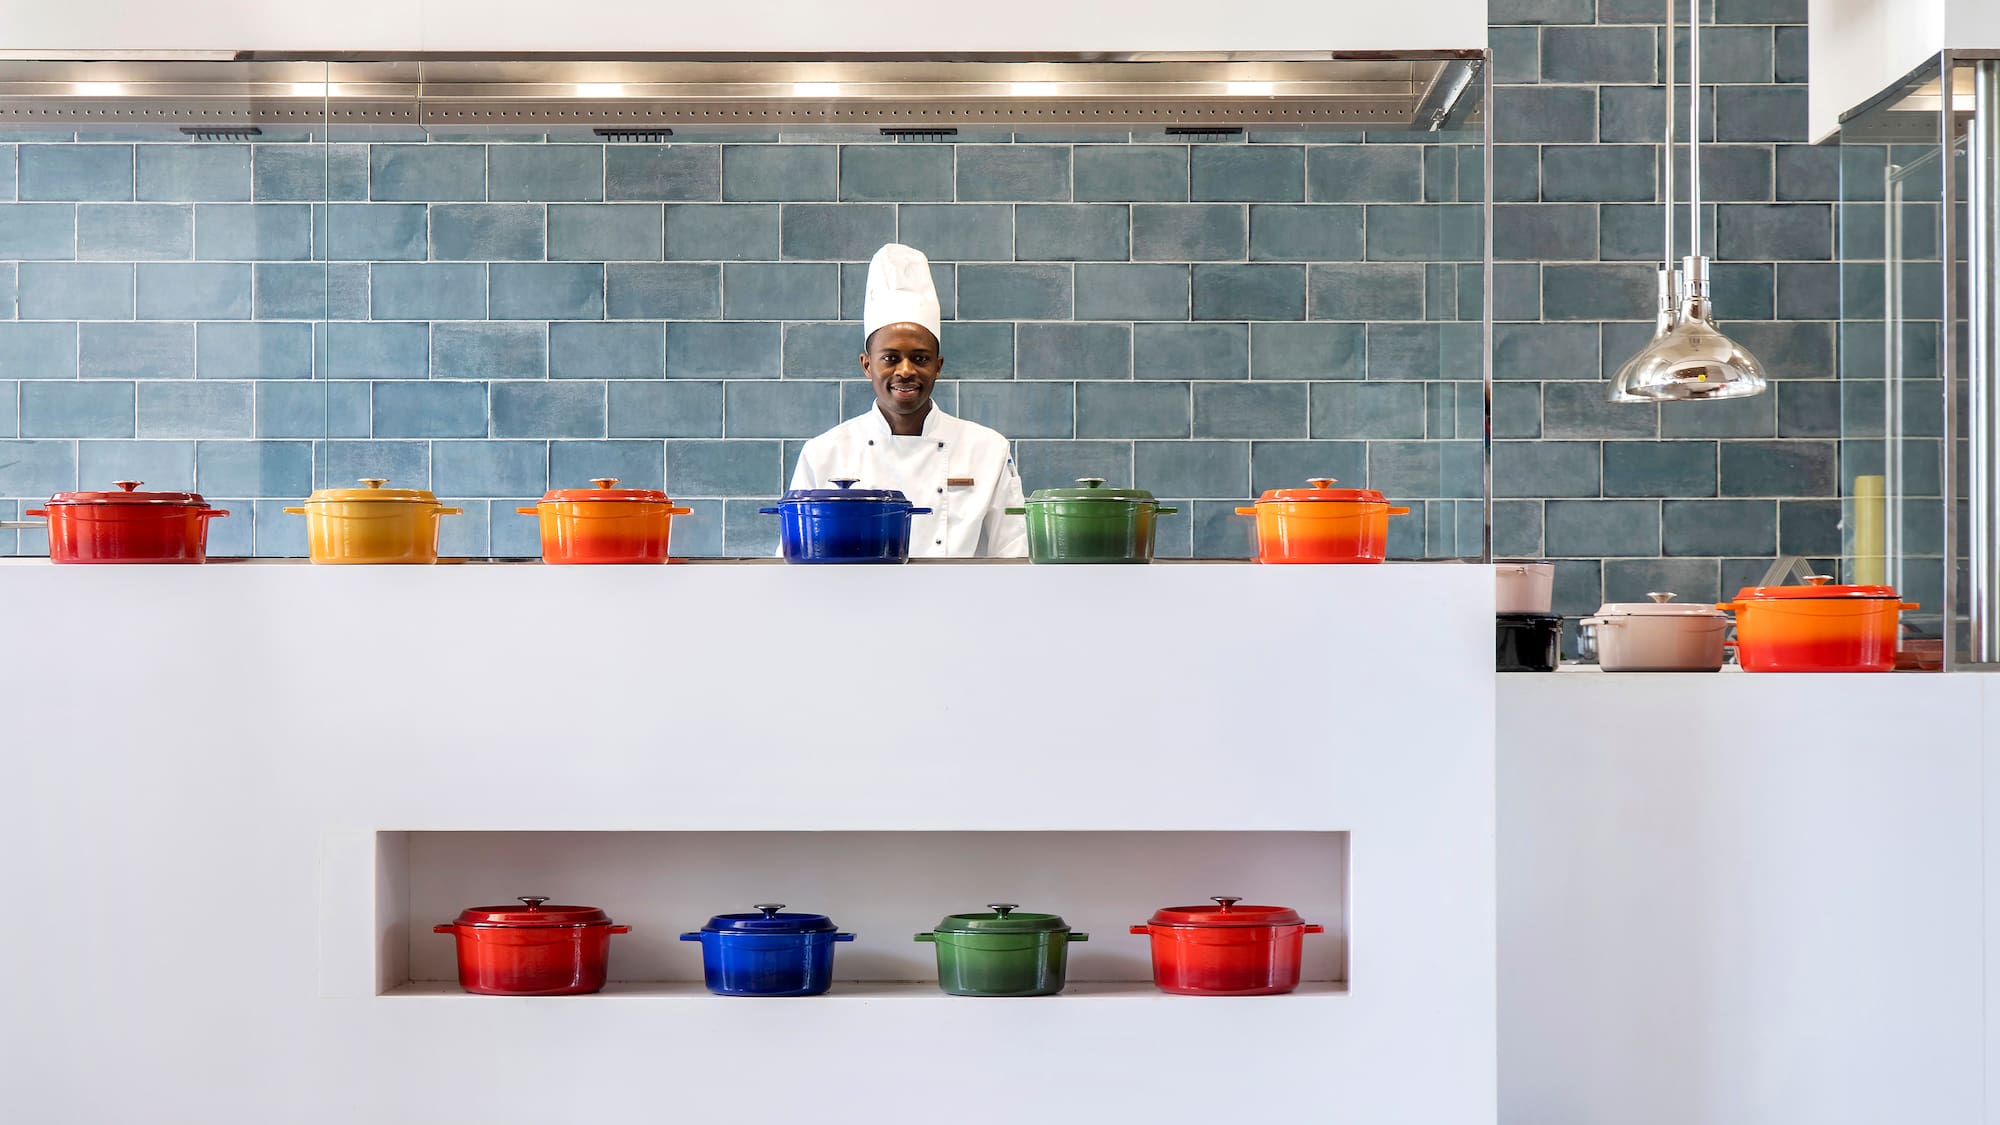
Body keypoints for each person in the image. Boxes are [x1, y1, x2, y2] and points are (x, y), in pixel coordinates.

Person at [788, 243, 1028, 558]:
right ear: (867, 365)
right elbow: (791, 561)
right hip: (854, 605)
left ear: (938, 367)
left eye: (919, 358)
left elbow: (1015, 555)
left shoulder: (988, 450)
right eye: (890, 357)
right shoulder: (823, 453)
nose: (905, 370)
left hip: (961, 605)